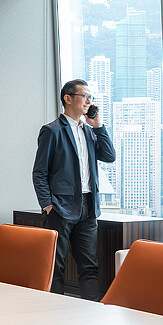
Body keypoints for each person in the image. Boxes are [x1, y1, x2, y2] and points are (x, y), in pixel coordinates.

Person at [32, 79, 115, 300]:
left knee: (90, 267)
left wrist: (98, 126)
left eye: (91, 98)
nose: (89, 101)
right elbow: (39, 172)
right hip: (60, 208)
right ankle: (54, 313)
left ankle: (90, 313)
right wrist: (48, 205)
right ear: (68, 98)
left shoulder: (89, 131)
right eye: (85, 96)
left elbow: (109, 156)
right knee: (55, 268)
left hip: (88, 208)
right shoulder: (51, 131)